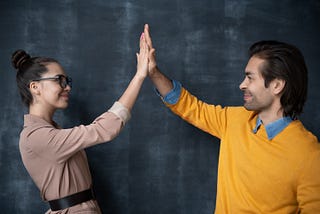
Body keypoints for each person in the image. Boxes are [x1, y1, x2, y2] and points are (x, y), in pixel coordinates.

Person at [143, 24, 320, 213]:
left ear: (276, 85)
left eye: (250, 78)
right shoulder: (234, 120)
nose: (241, 85)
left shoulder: (308, 154)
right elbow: (189, 107)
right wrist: (153, 72)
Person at [12, 30, 149, 213]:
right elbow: (103, 129)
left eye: (67, 80)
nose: (67, 87)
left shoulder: (50, 130)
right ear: (35, 87)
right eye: (59, 80)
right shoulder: (35, 136)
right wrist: (139, 75)